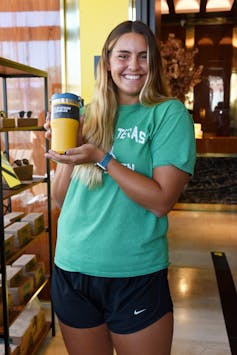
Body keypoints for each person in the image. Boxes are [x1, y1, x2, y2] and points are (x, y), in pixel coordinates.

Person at [44, 20, 196, 355]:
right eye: (123, 56)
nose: (134, 66)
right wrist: (68, 153)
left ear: (153, 63)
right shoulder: (88, 114)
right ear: (108, 61)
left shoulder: (168, 115)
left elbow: (160, 201)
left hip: (134, 271)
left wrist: (102, 157)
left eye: (143, 57)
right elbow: (60, 199)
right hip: (73, 265)